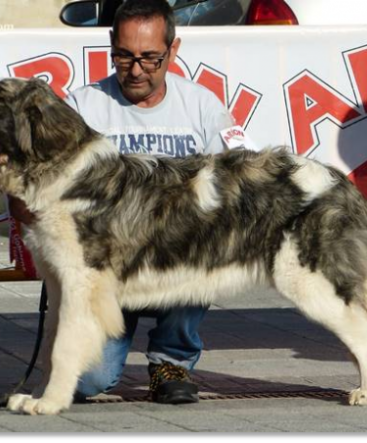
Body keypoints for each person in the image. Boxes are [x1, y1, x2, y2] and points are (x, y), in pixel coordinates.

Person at [12, 0, 234, 404]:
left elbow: (232, 192)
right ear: (110, 47)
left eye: (150, 59)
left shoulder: (204, 107)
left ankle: (172, 360)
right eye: (124, 56)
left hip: (174, 263)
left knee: (205, 237)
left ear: (174, 49)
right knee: (85, 382)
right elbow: (31, 202)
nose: (135, 70)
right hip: (103, 273)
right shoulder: (80, 109)